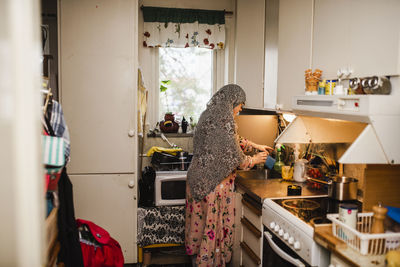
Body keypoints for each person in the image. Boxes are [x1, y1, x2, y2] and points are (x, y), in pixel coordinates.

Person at [185, 84, 273, 267]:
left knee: (199, 230)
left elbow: (231, 141)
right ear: (232, 101)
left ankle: (198, 262)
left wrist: (255, 146)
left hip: (197, 179)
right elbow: (236, 159)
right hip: (213, 184)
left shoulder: (209, 115)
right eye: (240, 104)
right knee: (211, 231)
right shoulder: (225, 121)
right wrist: (255, 159)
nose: (241, 108)